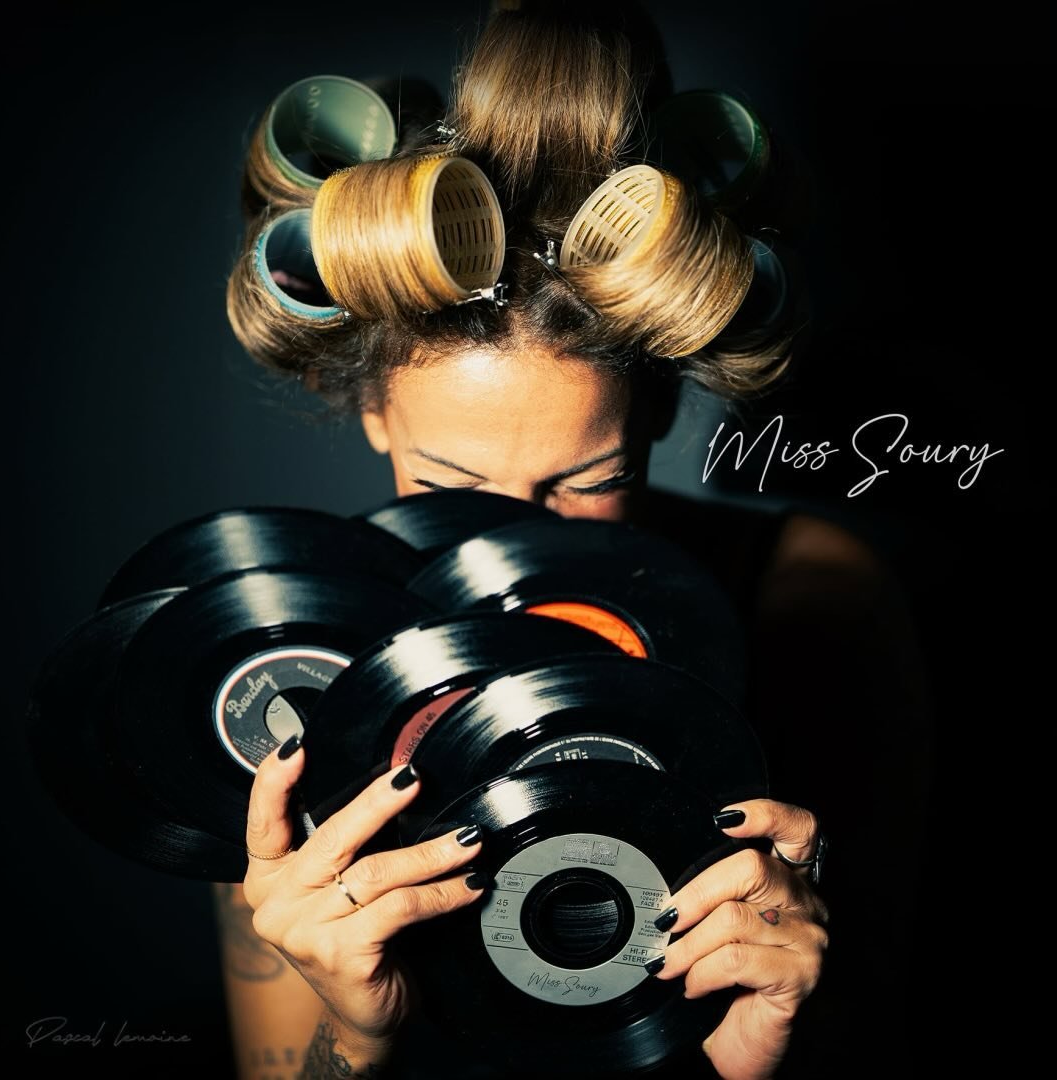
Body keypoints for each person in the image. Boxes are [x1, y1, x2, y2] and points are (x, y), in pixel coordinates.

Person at [214, 3, 931, 1078]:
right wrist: (351, 1038)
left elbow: (890, 1010)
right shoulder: (285, 652)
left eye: (588, 482)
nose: (513, 543)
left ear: (657, 416)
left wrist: (765, 1055)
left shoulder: (815, 597)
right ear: (373, 414)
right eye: (450, 486)